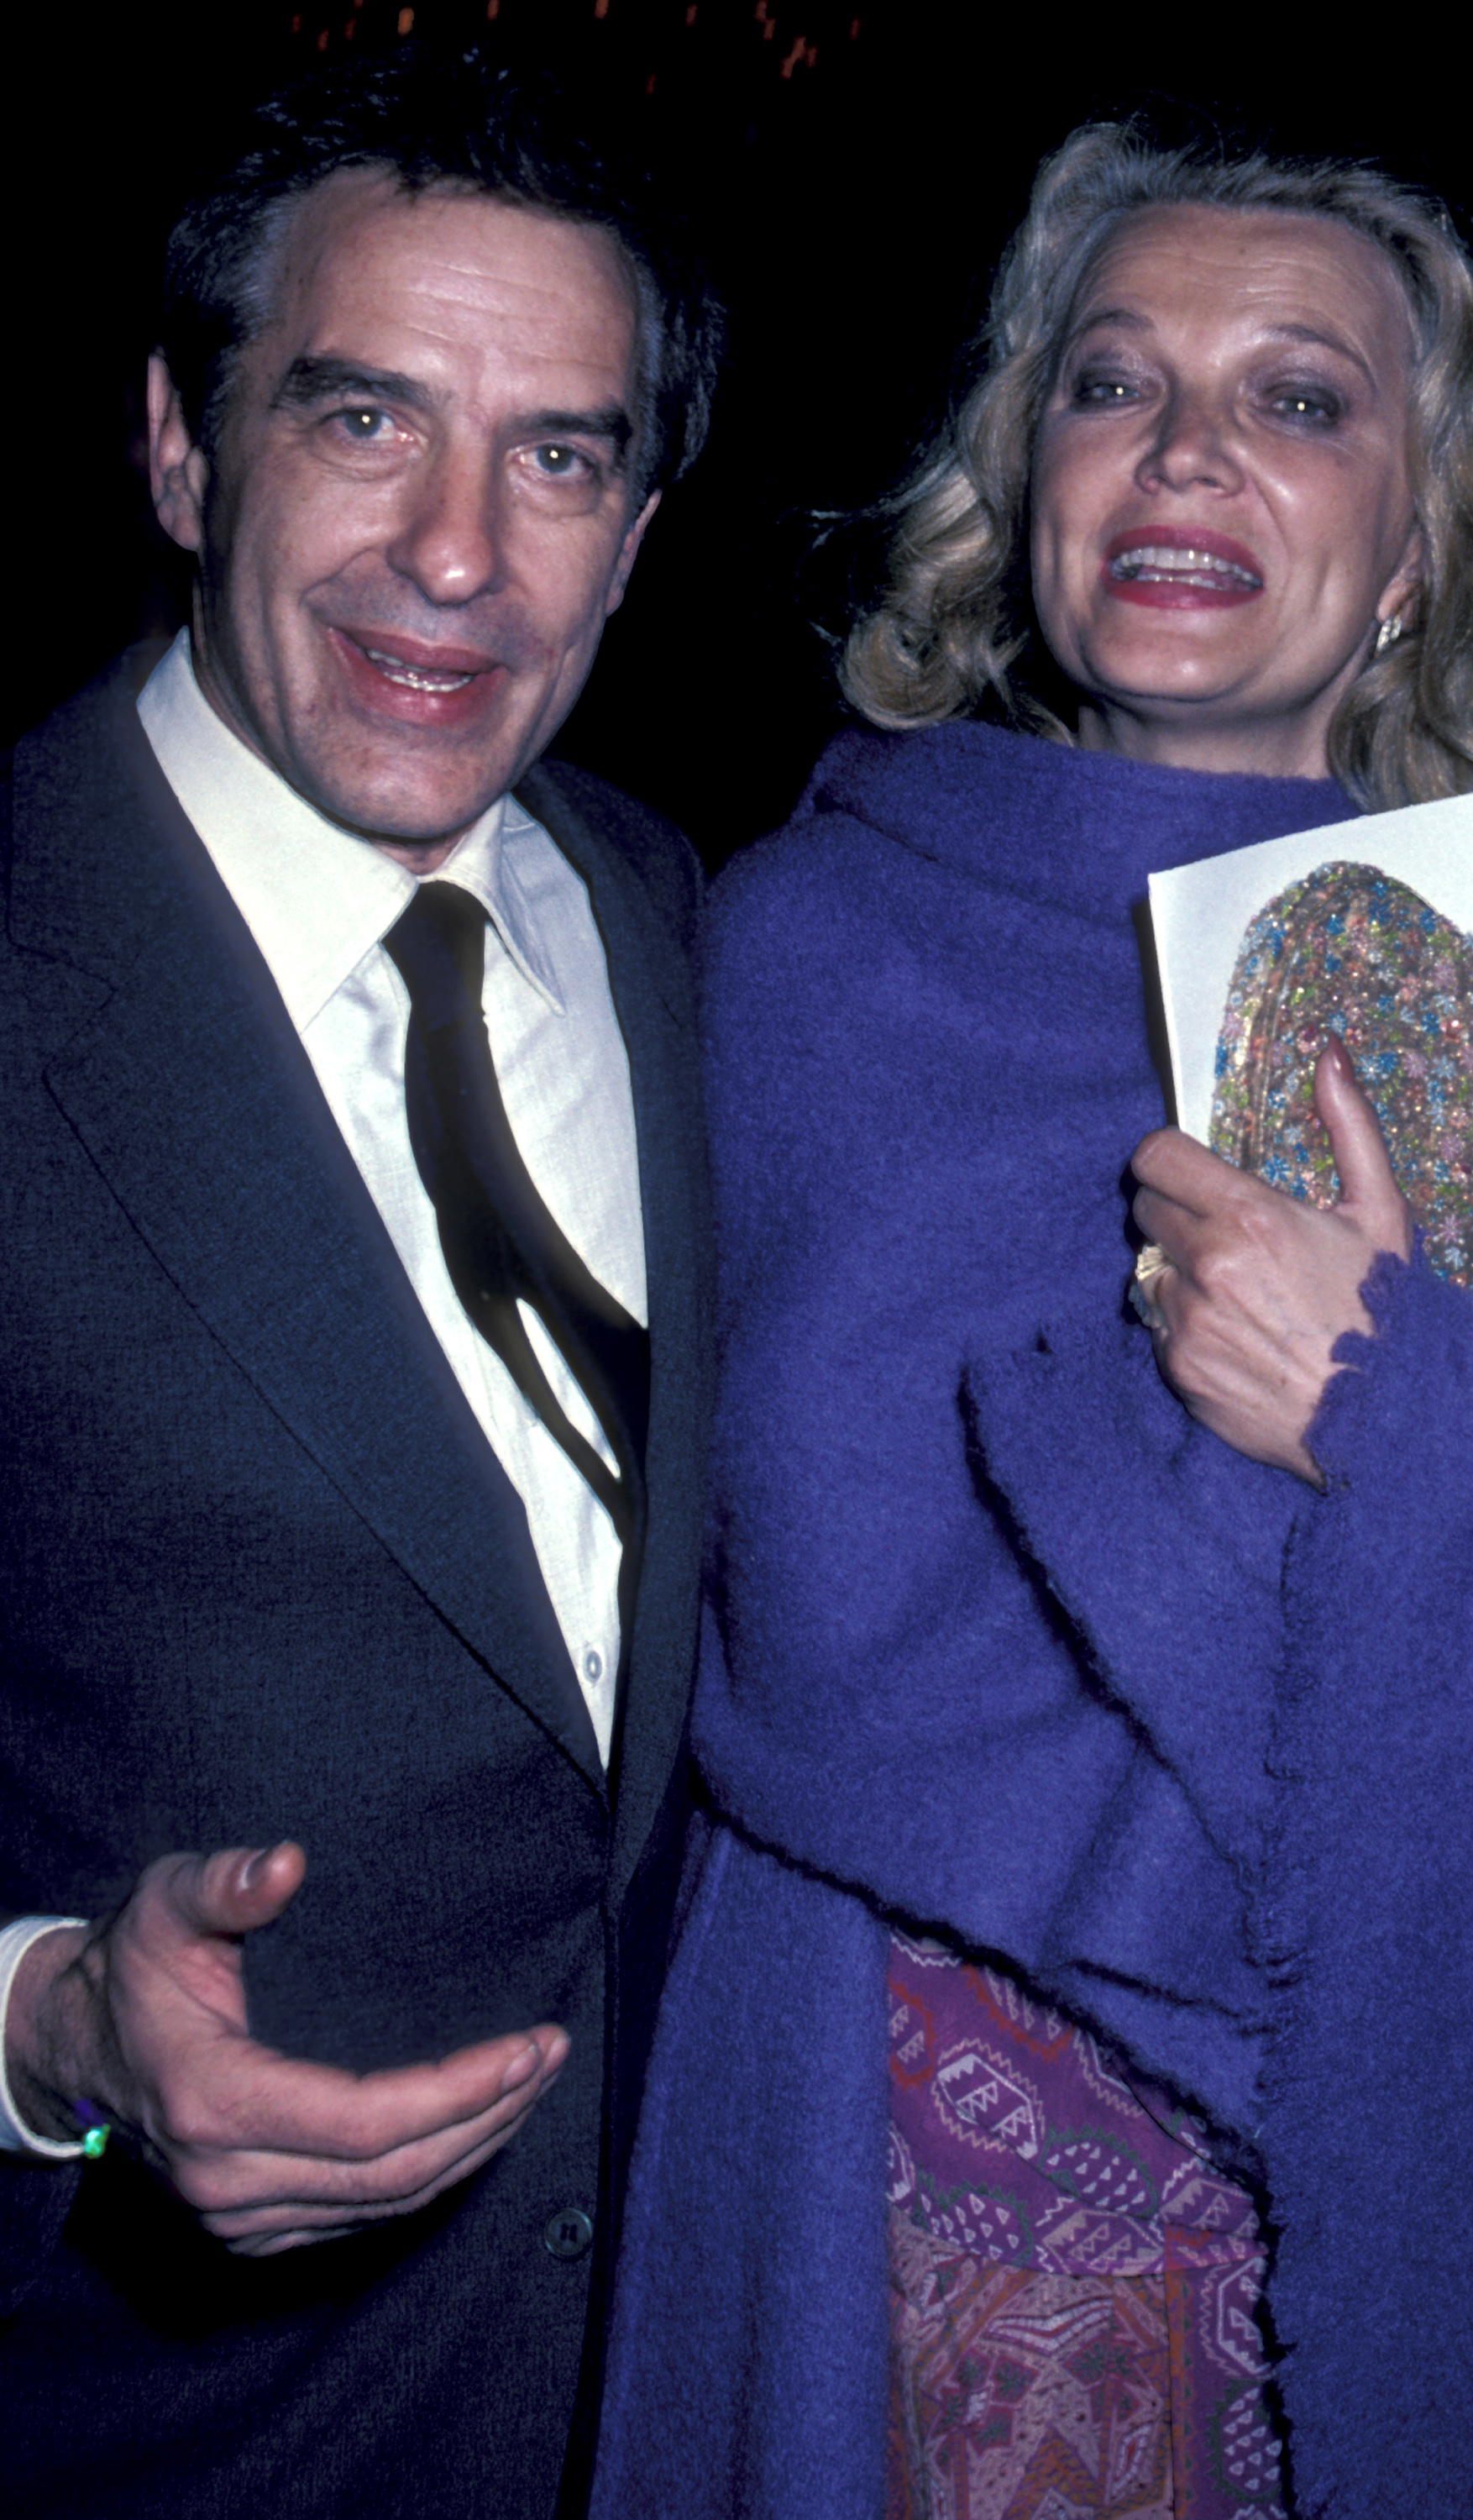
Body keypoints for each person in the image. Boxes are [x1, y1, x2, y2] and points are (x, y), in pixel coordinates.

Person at [591, 123, 1473, 2520]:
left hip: (1348, 2142)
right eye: (1116, 384)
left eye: (1300, 400)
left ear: (1415, 552)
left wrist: (1400, 1417)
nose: (1189, 449)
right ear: (1023, 484)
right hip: (845, 2110)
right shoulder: (790, 950)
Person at [1, 45, 719, 2519]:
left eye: (559, 457)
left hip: (692, 2394)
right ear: (185, 450)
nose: (453, 558)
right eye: (362, 419)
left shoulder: (694, 930)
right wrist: (47, 2018)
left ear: (632, 537)